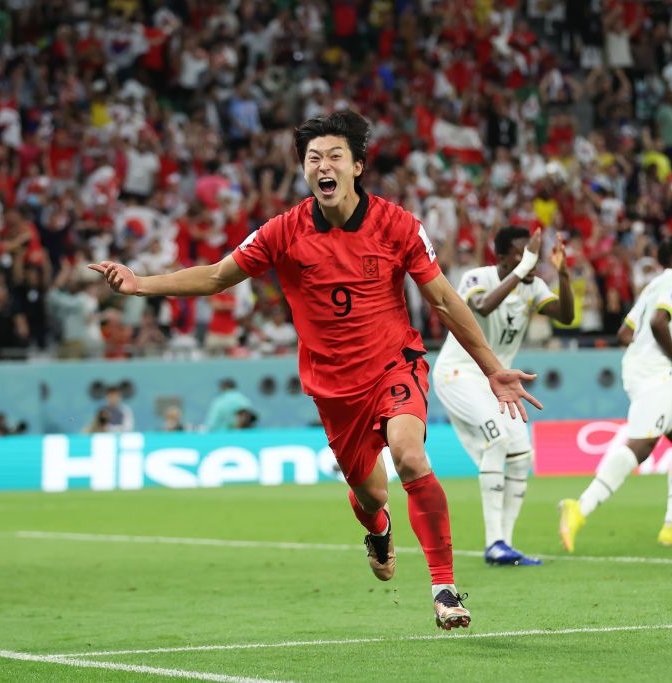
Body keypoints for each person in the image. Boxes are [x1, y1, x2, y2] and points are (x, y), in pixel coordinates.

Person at [90, 110, 541, 630]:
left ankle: (444, 588)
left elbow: (441, 298)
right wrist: (140, 283)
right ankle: (378, 527)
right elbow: (216, 277)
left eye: (333, 156)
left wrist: (492, 370)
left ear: (357, 167)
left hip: (396, 364)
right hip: (334, 389)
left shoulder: (397, 226)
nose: (322, 166)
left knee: (411, 456)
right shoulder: (283, 231)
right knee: (371, 494)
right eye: (312, 158)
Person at [433, 226, 573, 567]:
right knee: (496, 441)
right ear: (501, 258)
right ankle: (494, 542)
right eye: (520, 254)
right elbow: (481, 306)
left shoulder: (533, 285)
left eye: (532, 255)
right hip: (459, 374)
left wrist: (563, 274)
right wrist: (525, 267)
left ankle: (505, 545)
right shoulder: (476, 278)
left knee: (522, 455)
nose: (529, 261)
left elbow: (567, 317)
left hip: (496, 382)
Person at [559, 235, 672, 552]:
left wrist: (647, 356)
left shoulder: (654, 285)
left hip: (645, 370)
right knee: (642, 444)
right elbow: (658, 321)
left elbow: (625, 332)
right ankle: (580, 508)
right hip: (657, 373)